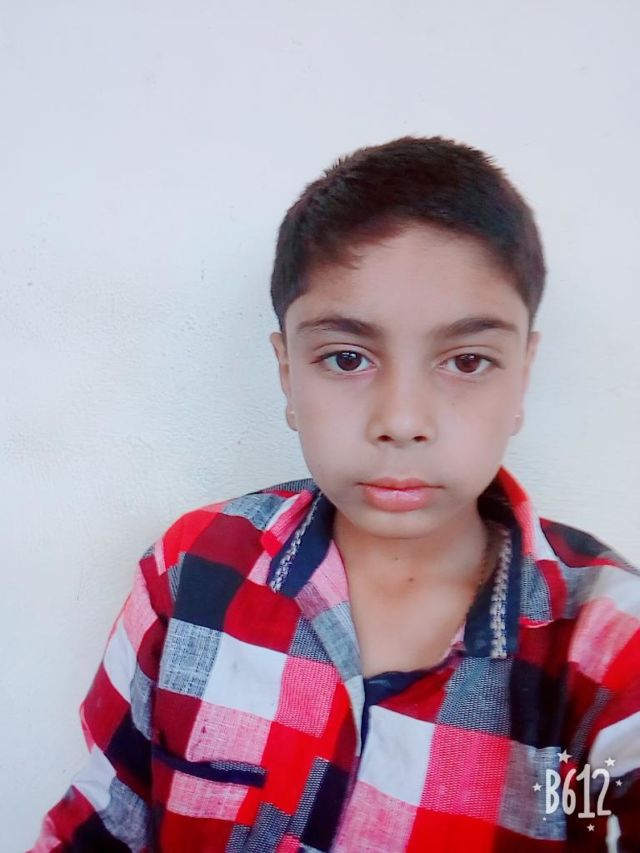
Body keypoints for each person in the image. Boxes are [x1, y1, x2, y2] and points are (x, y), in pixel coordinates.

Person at [31, 136, 639, 852]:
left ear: (523, 374)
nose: (401, 421)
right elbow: (100, 830)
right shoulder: (192, 571)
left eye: (468, 360)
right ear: (288, 372)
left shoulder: (606, 650)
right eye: (347, 358)